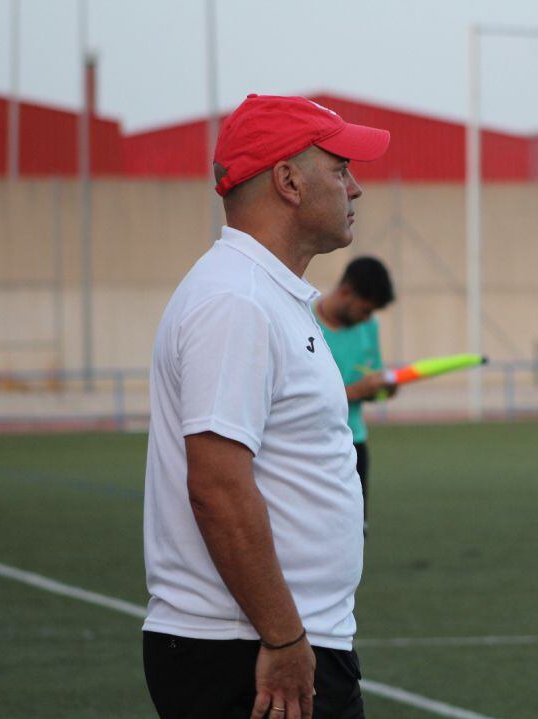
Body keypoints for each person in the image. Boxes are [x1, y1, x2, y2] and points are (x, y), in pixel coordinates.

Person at [142, 94, 389, 719]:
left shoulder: (267, 297)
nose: (355, 188)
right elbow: (218, 488)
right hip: (249, 649)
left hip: (270, 640)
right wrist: (283, 637)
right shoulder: (238, 302)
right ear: (288, 182)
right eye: (339, 169)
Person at [314, 257, 396, 534]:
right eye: (365, 309)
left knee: (355, 534)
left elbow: (370, 378)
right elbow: (301, 398)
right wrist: (355, 391)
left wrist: (382, 389)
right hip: (313, 447)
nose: (367, 318)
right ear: (347, 292)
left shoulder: (369, 327)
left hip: (354, 445)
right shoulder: (304, 323)